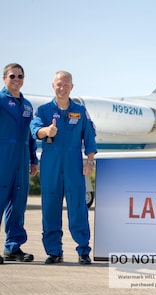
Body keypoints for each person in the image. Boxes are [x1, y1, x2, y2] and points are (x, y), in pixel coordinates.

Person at [30, 71, 97, 265]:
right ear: (53, 85)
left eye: (66, 85)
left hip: (74, 166)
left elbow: (90, 137)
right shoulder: (43, 110)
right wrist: (46, 131)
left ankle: (83, 250)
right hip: (51, 166)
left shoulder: (80, 110)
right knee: (50, 208)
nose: (62, 88)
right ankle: (54, 251)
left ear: (72, 87)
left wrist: (90, 161)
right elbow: (35, 130)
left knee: (78, 208)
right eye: (59, 84)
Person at [0, 63, 38, 264]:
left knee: (18, 203)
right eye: (12, 76)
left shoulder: (27, 105)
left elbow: (30, 135)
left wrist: (33, 159)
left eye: (20, 76)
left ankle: (13, 247)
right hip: (2, 156)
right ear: (4, 78)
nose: (16, 80)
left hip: (22, 158)